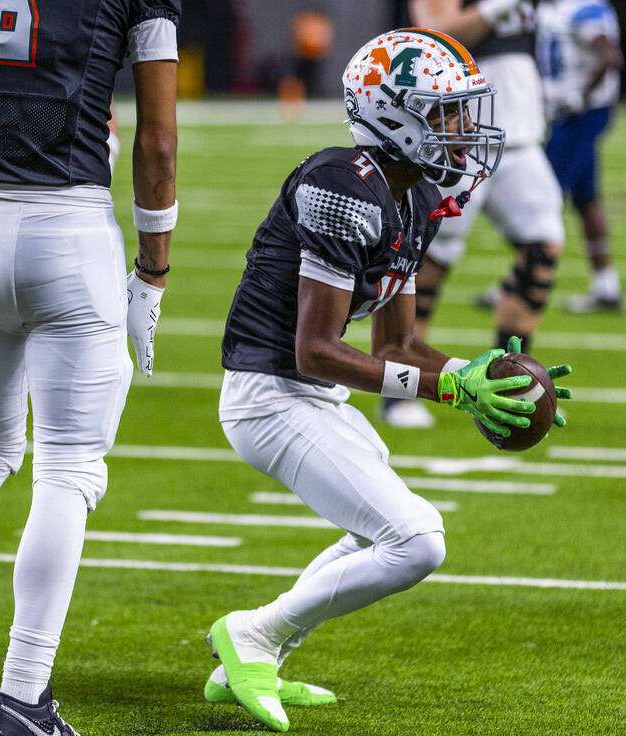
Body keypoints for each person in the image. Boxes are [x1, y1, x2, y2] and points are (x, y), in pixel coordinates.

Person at [207, 29, 571, 732]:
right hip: (269, 395)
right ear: (392, 114)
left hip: (308, 396)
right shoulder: (339, 185)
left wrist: (480, 373)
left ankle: (253, 656)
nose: (464, 128)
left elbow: (398, 342)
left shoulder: (407, 198)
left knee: (374, 530)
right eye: (446, 112)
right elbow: (314, 349)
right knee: (416, 539)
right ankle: (253, 634)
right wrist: (440, 390)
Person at [0, 0, 179, 732]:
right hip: (67, 226)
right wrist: (153, 268)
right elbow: (157, 145)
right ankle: (23, 694)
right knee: (68, 469)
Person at [380, 0, 567, 429]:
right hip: (459, 138)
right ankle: (398, 389)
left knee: (544, 244)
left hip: (521, 135)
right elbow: (435, 35)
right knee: (427, 263)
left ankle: (516, 381)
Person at [535, 0, 623, 313]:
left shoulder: (581, 8)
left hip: (580, 115)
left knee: (541, 198)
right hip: (569, 115)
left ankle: (526, 281)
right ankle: (606, 286)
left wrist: (578, 96)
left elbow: (609, 57)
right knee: (586, 200)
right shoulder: (553, 9)